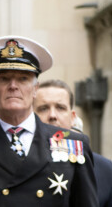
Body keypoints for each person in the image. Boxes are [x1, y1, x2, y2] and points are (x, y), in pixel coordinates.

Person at [0, 36, 99, 206]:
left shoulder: (72, 143)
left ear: (35, 89)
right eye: (4, 78)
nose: (13, 86)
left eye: (23, 79)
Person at [34, 79, 112, 207]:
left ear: (73, 117)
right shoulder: (21, 162)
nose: (52, 115)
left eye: (60, 108)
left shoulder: (105, 169)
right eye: (43, 108)